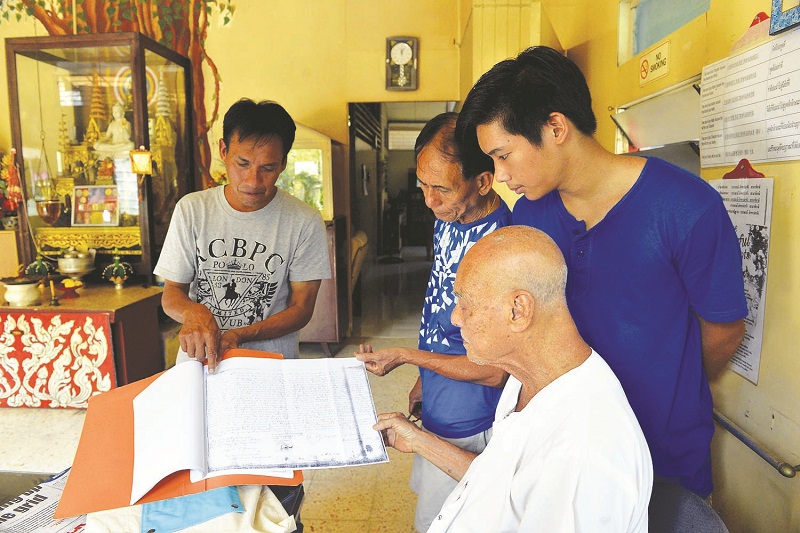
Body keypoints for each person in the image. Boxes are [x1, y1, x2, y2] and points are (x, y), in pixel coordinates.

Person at [456, 46, 747, 498]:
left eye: (504, 155)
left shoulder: (685, 208)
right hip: (565, 452)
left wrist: (666, 383)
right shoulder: (531, 216)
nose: (498, 174)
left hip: (663, 458)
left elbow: (723, 330)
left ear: (555, 128)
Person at [376, 225, 653, 532]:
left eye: (465, 305)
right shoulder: (529, 378)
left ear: (518, 310)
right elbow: (502, 479)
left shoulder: (583, 452)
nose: (454, 318)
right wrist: (418, 439)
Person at [356, 112, 512, 532]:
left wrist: (407, 355)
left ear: (483, 181)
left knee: (447, 523)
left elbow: (493, 371)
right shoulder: (450, 219)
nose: (428, 199)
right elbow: (435, 305)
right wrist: (423, 377)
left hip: (472, 420)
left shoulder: (500, 248)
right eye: (423, 184)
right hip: (440, 403)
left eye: (441, 188)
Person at [155, 98, 330, 369]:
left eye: (268, 168)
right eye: (243, 163)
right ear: (223, 151)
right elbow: (172, 293)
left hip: (270, 363)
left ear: (283, 163)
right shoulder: (192, 210)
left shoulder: (304, 221)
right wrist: (194, 312)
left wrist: (240, 335)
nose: (253, 181)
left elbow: (301, 309)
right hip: (198, 362)